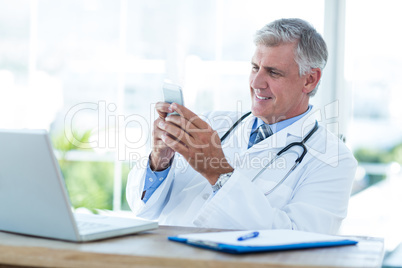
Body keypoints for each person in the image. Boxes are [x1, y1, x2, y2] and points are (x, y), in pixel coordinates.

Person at [126, 18, 357, 234]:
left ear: (310, 79)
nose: (256, 83)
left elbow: (301, 242)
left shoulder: (334, 160)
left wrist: (218, 172)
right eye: (255, 67)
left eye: (273, 73)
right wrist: (159, 160)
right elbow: (143, 209)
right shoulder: (211, 123)